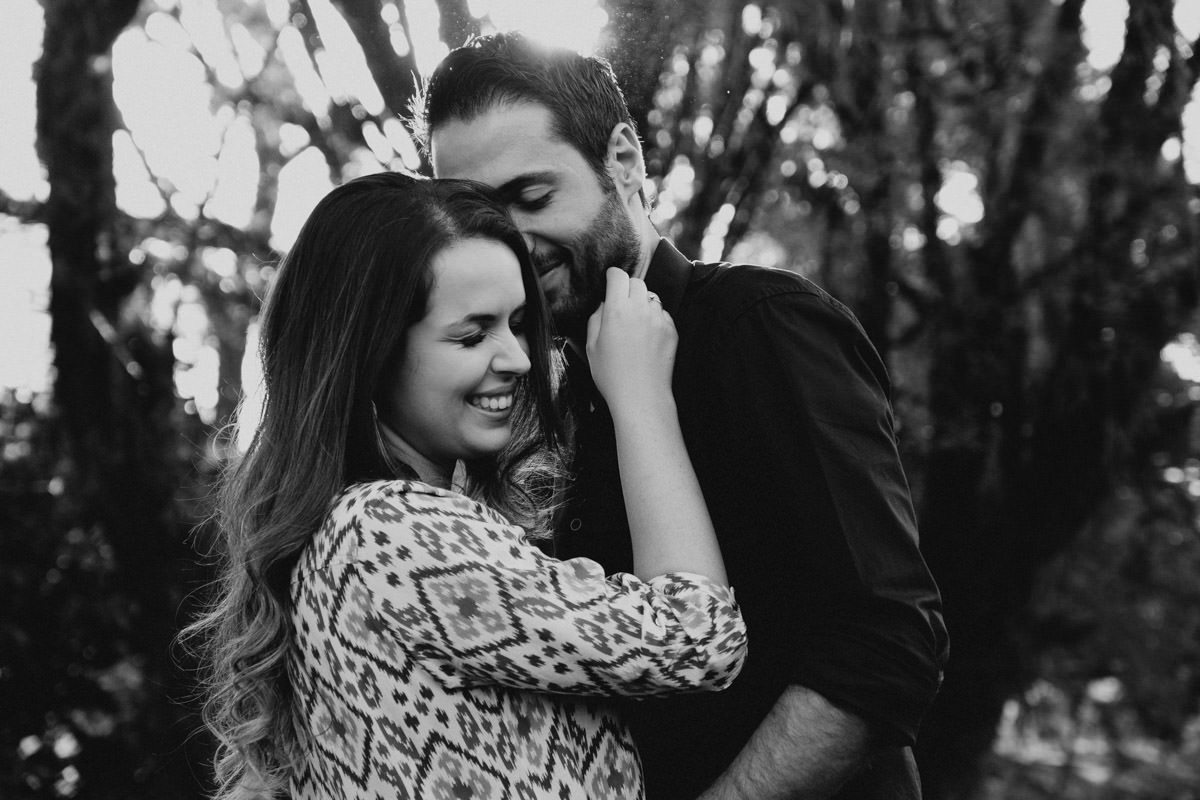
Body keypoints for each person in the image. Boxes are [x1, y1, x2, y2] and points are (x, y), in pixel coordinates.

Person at [416, 33, 950, 800]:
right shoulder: (533, 394)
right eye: (476, 213)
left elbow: (886, 642)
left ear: (624, 161)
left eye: (532, 198)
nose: (509, 241)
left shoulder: (760, 327)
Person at [186, 172, 748, 800]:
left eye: (515, 323)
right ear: (371, 352)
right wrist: (642, 397)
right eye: (473, 334)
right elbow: (697, 637)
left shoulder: (341, 535)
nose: (519, 358)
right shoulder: (392, 532)